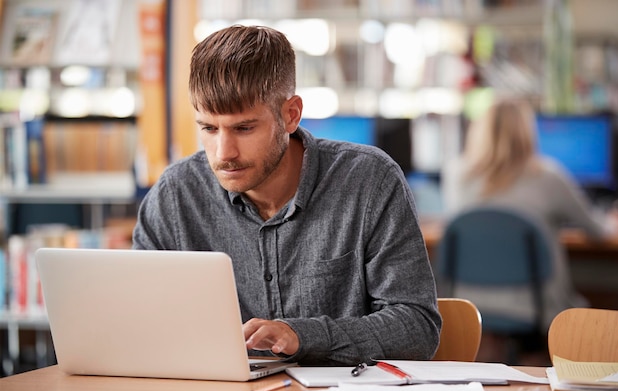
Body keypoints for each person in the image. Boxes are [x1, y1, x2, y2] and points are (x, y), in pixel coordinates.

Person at [132, 25, 441, 366]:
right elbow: (139, 320)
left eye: (244, 128)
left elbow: (417, 327)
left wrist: (302, 336)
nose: (224, 153)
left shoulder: (369, 182)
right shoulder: (177, 194)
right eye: (209, 128)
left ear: (290, 115)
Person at [441, 98, 618, 336]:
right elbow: (597, 231)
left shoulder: (456, 175)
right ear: (527, 131)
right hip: (535, 306)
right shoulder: (549, 176)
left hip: (468, 302)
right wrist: (614, 222)